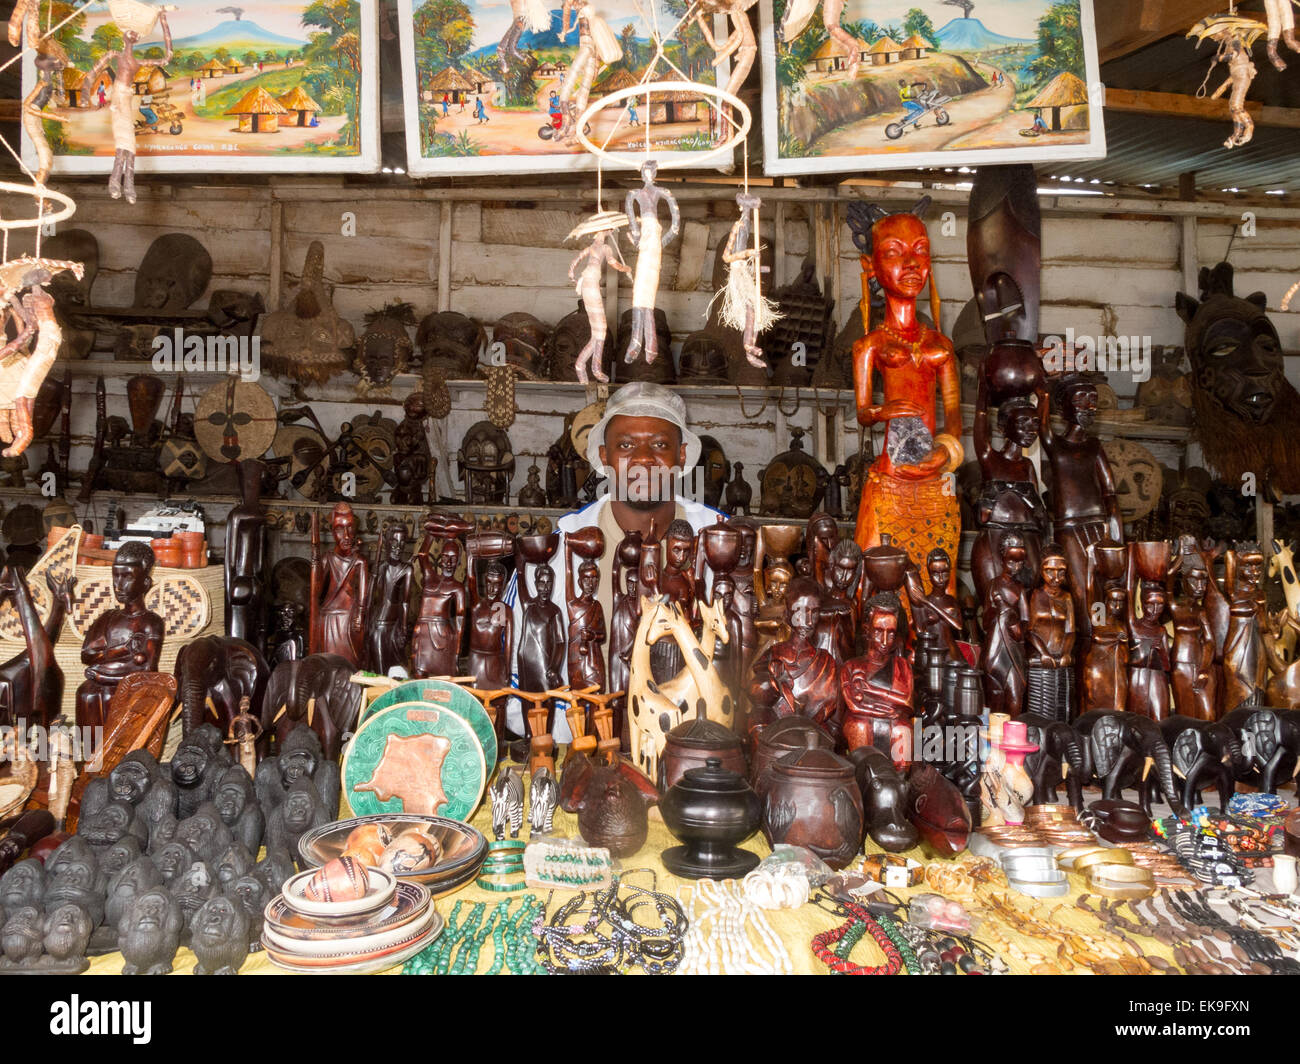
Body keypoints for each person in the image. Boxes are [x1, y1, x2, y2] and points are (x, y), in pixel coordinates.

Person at [505, 382, 723, 738]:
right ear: (604, 456)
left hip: (691, 752)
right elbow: (517, 674)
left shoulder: (717, 541)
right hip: (582, 745)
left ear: (682, 457)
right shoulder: (556, 551)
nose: (642, 458)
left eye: (659, 444)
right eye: (625, 445)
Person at [76, 541, 164, 732]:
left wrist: (102, 676)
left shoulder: (151, 622)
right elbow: (87, 655)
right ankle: (93, 757)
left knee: (109, 696)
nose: (118, 585)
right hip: (105, 681)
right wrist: (123, 651)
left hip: (129, 686)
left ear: (146, 583)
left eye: (127, 577)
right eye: (115, 576)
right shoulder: (108, 618)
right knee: (86, 693)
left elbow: (147, 670)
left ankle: (117, 756)